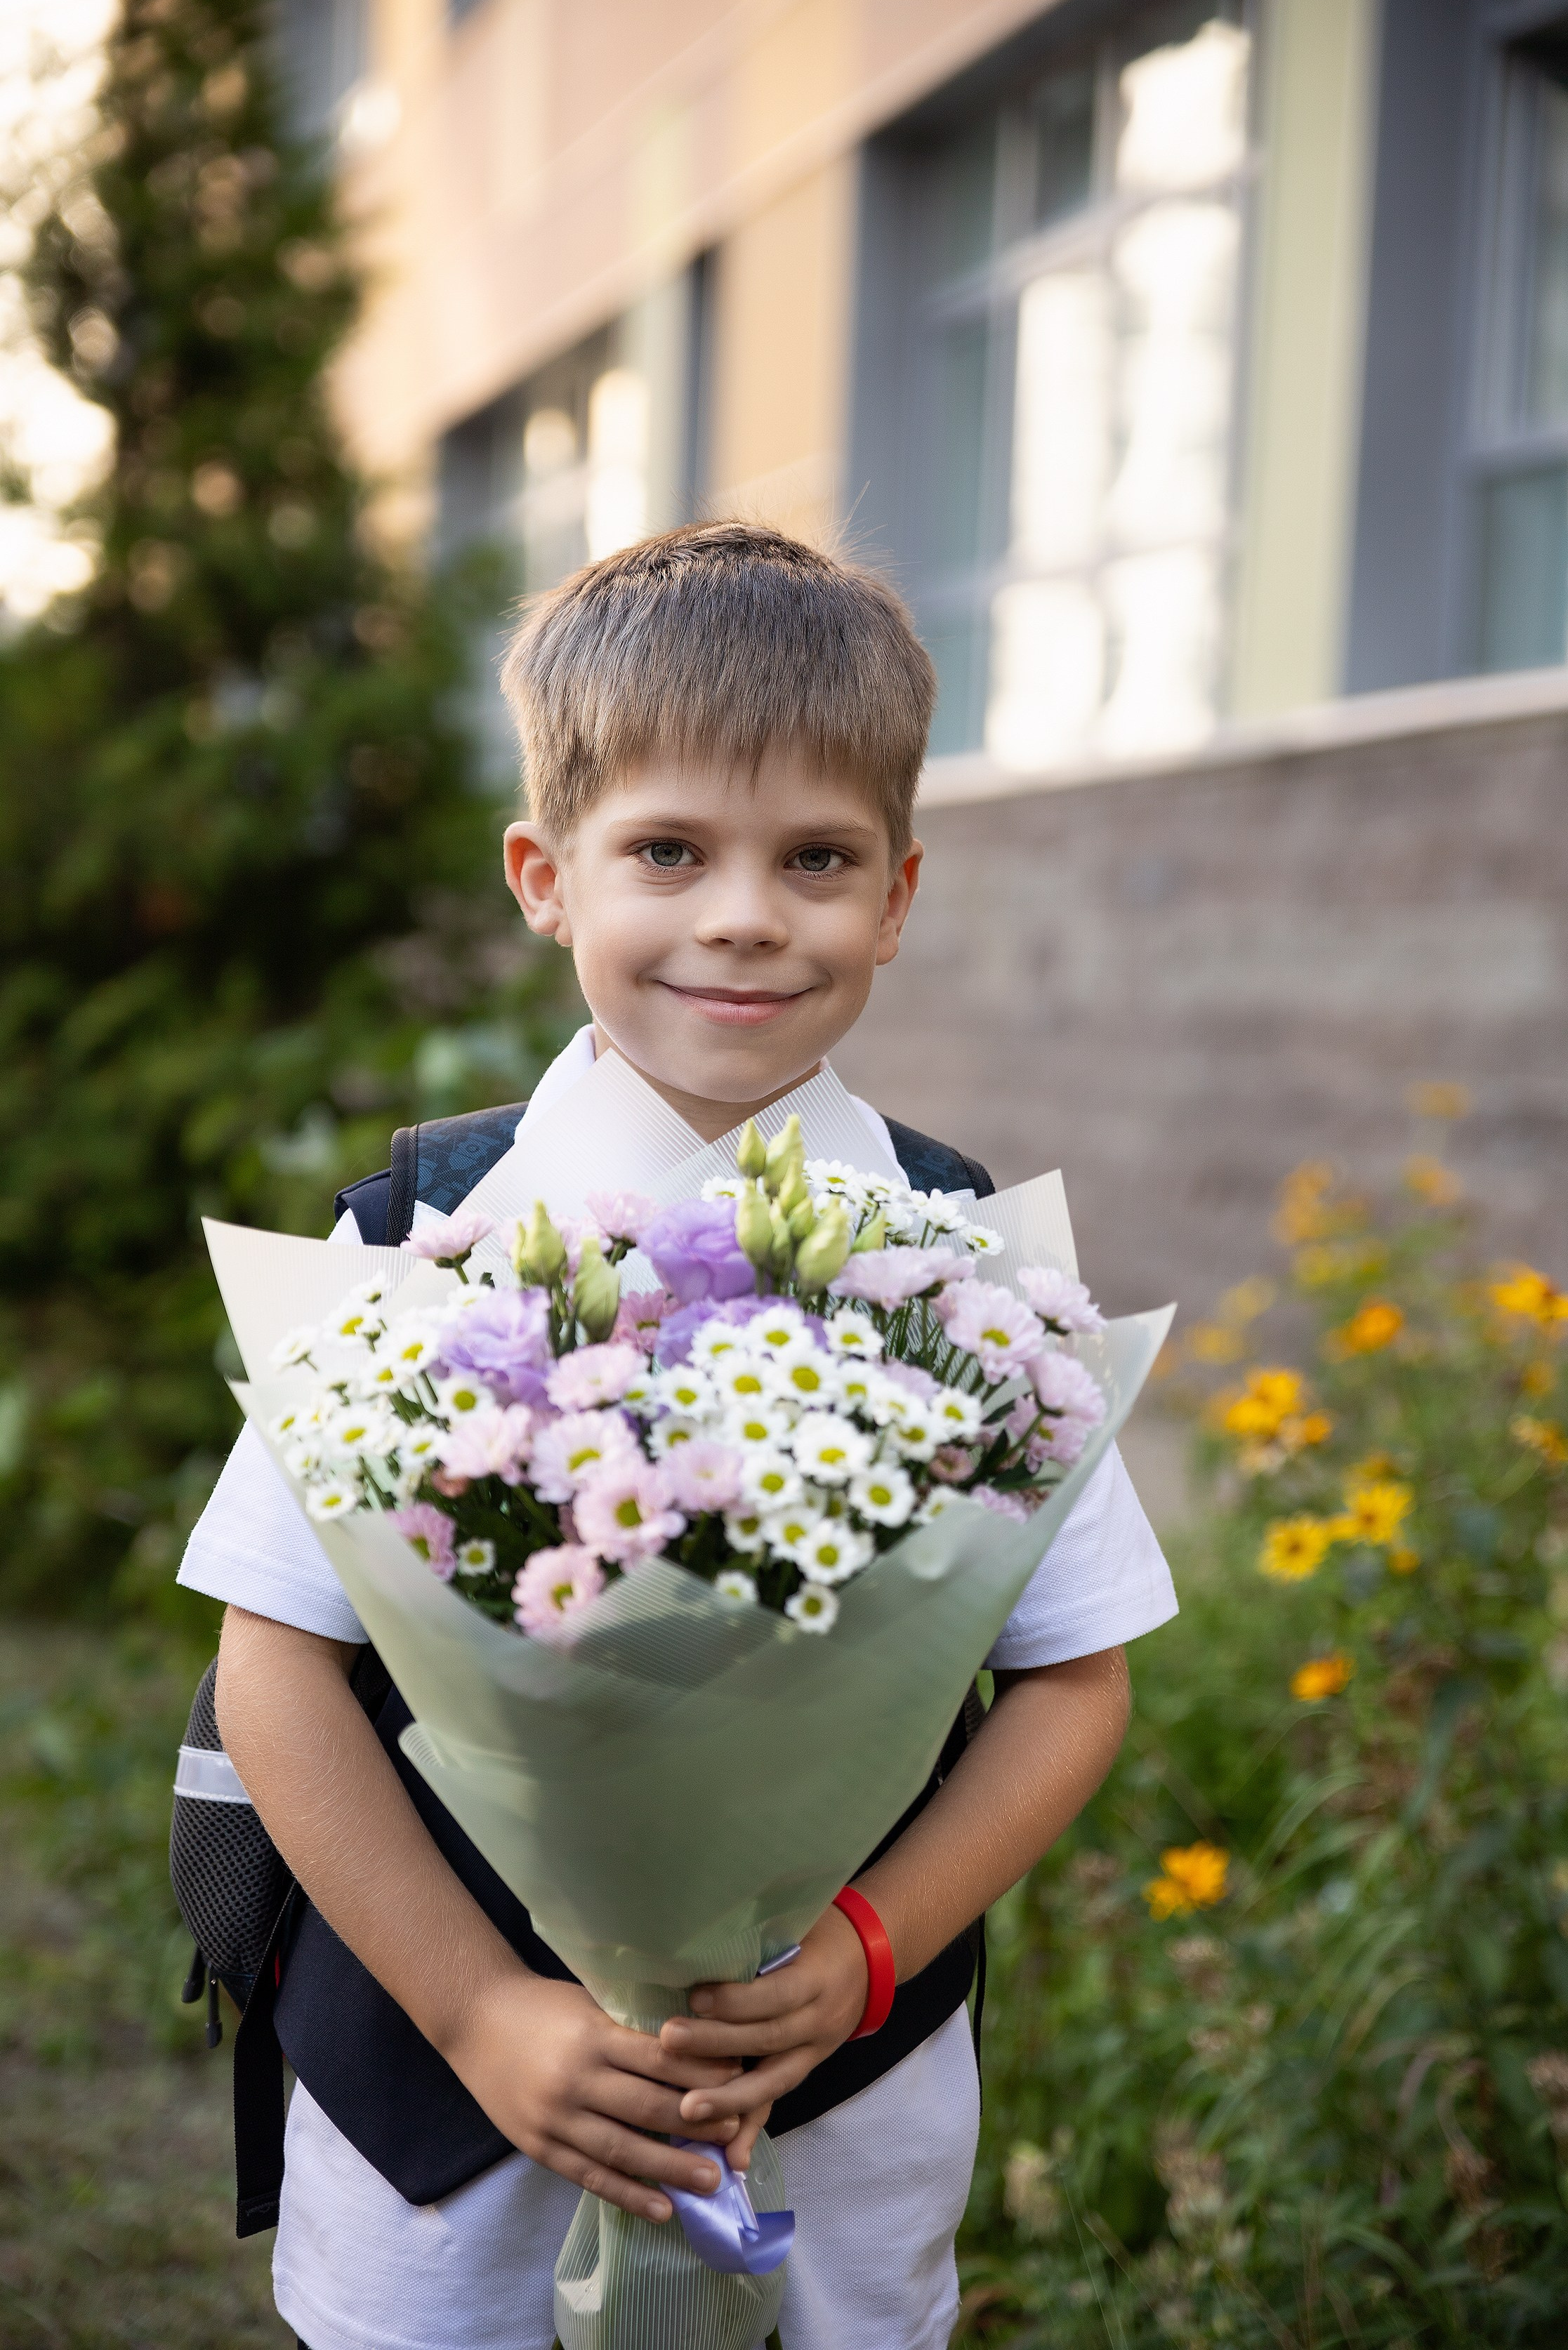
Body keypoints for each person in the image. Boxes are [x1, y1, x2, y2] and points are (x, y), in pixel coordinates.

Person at [179, 522, 1177, 2350]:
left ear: (895, 896)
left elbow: (1071, 1683)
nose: (743, 914)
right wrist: (483, 2008)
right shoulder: (422, 1239)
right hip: (441, 2070)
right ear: (543, 874)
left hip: (839, 2086)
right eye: (667, 851)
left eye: (816, 858)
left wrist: (863, 1960)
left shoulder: (961, 1260)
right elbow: (277, 1667)